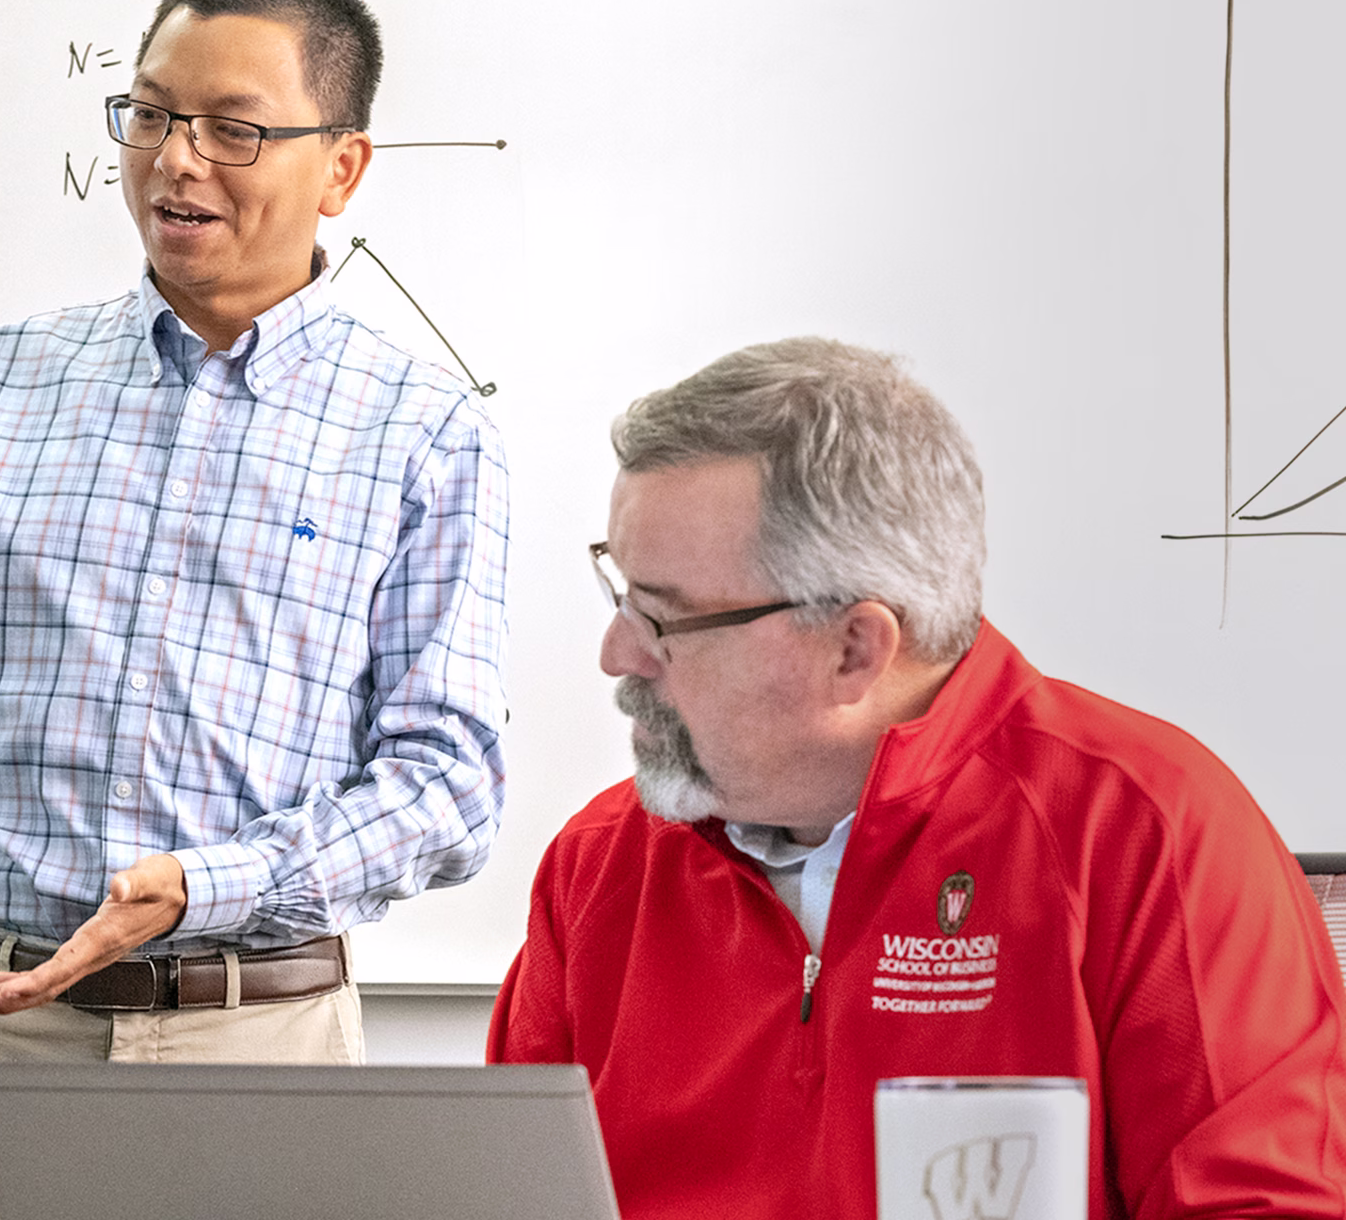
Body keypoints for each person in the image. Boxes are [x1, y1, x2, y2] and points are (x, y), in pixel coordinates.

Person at [0, 0, 511, 1219]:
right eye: (151, 115)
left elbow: (447, 785)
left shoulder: (421, 433)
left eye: (233, 129)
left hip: (262, 1046)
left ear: (340, 167)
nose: (177, 160)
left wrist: (207, 885)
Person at [488, 338, 1346, 1220]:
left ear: (855, 648)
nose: (617, 653)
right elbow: (503, 1198)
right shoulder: (598, 867)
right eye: (622, 595)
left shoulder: (1148, 834)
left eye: (664, 616)